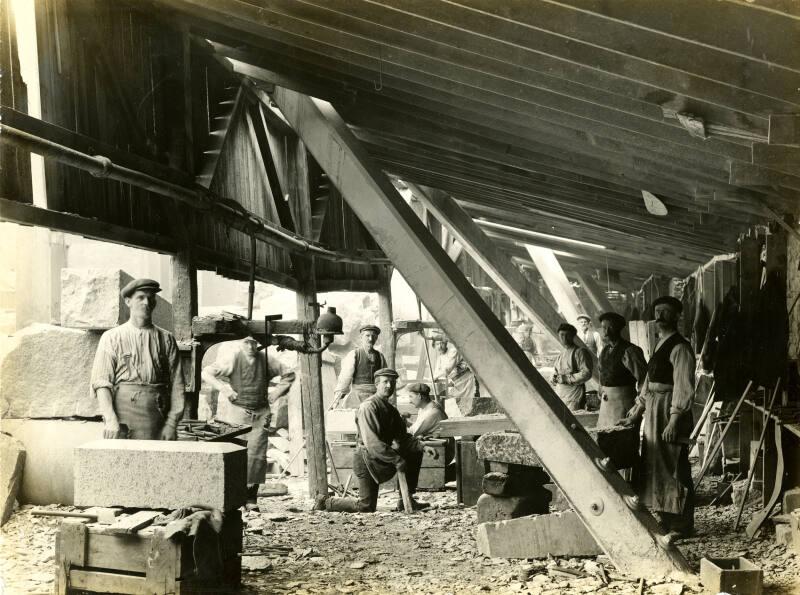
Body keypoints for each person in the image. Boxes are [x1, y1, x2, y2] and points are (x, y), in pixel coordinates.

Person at [620, 296, 695, 538]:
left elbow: (683, 386)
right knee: (656, 464)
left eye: (666, 311)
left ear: (676, 316)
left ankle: (682, 525)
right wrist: (636, 411)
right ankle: (666, 517)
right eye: (657, 311)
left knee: (674, 465)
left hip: (670, 409)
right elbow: (648, 383)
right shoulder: (660, 343)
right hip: (655, 408)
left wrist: (675, 419)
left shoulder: (680, 347)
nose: (660, 316)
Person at [314, 368, 439, 513]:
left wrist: (422, 446)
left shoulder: (391, 409)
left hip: (382, 457)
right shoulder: (368, 407)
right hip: (367, 460)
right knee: (366, 506)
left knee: (414, 451)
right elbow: (373, 443)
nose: (389, 386)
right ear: (376, 384)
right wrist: (397, 459)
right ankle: (326, 502)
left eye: (392, 382)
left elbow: (403, 437)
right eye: (385, 382)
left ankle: (406, 500)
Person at [202, 336, 295, 502]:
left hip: (260, 413)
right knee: (237, 453)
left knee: (257, 456)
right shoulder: (232, 358)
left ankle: (251, 498)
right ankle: (236, 499)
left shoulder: (266, 359)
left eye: (254, 343)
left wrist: (276, 393)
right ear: (240, 343)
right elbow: (207, 373)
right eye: (247, 342)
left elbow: (289, 374)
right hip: (238, 412)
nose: (251, 347)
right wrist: (224, 389)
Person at [90, 278, 184, 441]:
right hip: (122, 420)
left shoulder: (166, 339)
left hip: (157, 419)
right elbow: (101, 382)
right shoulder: (112, 338)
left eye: (151, 298)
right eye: (140, 297)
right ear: (128, 301)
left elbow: (178, 385)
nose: (147, 302)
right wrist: (111, 420)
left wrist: (171, 424)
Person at [596, 312, 647, 428]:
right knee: (606, 437)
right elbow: (601, 374)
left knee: (623, 437)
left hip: (623, 403)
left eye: (611, 327)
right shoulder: (604, 350)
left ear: (619, 329)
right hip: (606, 404)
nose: (607, 332)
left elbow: (644, 380)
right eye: (604, 328)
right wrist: (601, 391)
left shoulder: (630, 351)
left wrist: (639, 404)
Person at [333, 324, 387, 408]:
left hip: (375, 396)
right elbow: (345, 378)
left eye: (373, 336)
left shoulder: (380, 356)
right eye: (367, 336)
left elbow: (385, 378)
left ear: (376, 338)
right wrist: (337, 399)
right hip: (357, 396)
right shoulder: (354, 354)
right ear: (361, 337)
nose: (370, 339)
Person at [550, 323, 593, 411]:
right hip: (561, 393)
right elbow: (556, 371)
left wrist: (567, 378)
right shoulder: (561, 354)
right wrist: (553, 377)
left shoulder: (580, 352)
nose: (564, 338)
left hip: (574, 395)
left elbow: (586, 373)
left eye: (567, 335)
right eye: (562, 335)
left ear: (573, 336)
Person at [433, 334, 479, 403]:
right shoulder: (440, 358)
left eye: (442, 343)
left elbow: (446, 370)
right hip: (456, 384)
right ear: (433, 346)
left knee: (470, 405)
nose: (440, 346)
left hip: (467, 382)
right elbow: (437, 373)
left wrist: (434, 377)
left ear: (446, 343)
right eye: (437, 344)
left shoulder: (453, 352)